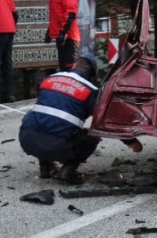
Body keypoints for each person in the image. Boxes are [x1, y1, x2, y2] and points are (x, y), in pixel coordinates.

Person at [18, 55, 101, 184]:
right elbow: (103, 121)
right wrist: (131, 142)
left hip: (27, 140)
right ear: (91, 75)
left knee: (38, 117)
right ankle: (68, 171)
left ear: (74, 66)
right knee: (93, 135)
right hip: (59, 146)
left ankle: (46, 166)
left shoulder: (50, 79)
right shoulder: (90, 90)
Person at [45, 0, 80, 70]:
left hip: (69, 38)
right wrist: (50, 32)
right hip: (63, 37)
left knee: (69, 72)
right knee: (64, 70)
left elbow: (70, 15)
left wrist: (63, 34)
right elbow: (56, 16)